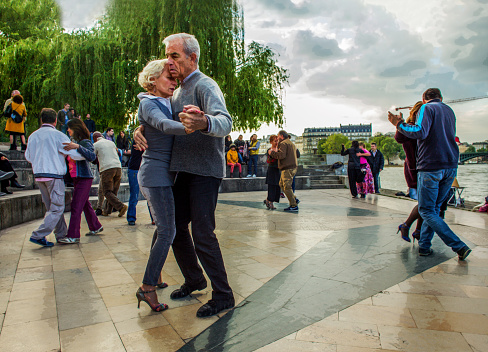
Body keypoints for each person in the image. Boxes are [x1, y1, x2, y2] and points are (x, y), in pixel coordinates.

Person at [134, 33, 234, 317]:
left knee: (203, 232)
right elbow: (157, 118)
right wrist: (140, 128)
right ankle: (194, 279)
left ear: (192, 58)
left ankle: (224, 295)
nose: (170, 62)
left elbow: (225, 122)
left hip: (204, 171)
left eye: (174, 56)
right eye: (167, 56)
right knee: (174, 228)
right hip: (182, 171)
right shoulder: (175, 92)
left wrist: (204, 121)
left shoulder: (205, 85)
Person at [134, 58, 191, 312]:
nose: (173, 82)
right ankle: (147, 288)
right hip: (154, 176)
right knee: (168, 231)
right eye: (169, 78)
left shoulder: (163, 101)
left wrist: (138, 128)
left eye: (175, 79)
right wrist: (201, 126)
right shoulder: (149, 103)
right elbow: (165, 125)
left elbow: (153, 124)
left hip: (160, 176)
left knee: (163, 229)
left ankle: (154, 276)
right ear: (152, 81)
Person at [388, 88, 472, 260]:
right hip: (450, 165)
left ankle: (458, 246)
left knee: (426, 209)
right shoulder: (449, 110)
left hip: (431, 166)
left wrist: (398, 124)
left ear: (424, 99)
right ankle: (424, 246)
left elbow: (420, 132)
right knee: (434, 209)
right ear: (441, 98)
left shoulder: (427, 108)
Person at [25, 108, 86, 247]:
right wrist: (87, 154)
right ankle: (38, 234)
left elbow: (28, 157)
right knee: (57, 207)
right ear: (55, 120)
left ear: (41, 120)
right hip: (54, 175)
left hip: (39, 175)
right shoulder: (58, 135)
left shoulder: (33, 136)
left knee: (51, 207)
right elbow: (73, 154)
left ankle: (61, 234)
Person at [58, 119, 103, 244]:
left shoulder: (84, 142)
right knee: (84, 204)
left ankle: (73, 235)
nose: (68, 130)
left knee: (76, 205)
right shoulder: (75, 142)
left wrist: (78, 147)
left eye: (69, 128)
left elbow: (92, 156)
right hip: (77, 178)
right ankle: (96, 226)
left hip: (84, 178)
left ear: (75, 128)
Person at [395, 101, 423, 242]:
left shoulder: (419, 127)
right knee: (426, 202)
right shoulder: (411, 129)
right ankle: (409, 226)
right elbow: (399, 137)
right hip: (416, 169)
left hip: (419, 167)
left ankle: (415, 229)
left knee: (426, 202)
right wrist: (399, 123)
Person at [93, 131, 128, 217]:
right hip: (118, 167)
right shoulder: (111, 142)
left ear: (95, 139)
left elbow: (92, 157)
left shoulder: (96, 145)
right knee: (113, 192)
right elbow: (118, 153)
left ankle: (121, 206)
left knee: (107, 191)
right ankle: (107, 211)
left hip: (107, 169)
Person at [269, 130, 298, 212]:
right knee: (281, 184)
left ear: (281, 136)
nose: (277, 138)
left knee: (286, 186)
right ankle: (294, 199)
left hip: (287, 168)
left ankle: (293, 205)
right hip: (292, 167)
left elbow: (281, 155)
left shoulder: (283, 143)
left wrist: (272, 153)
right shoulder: (290, 143)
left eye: (278, 136)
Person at [264, 135, 280, 210]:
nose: (276, 142)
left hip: (278, 170)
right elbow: (270, 160)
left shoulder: (279, 149)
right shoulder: (269, 150)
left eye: (277, 141)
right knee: (271, 187)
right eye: (275, 141)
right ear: (271, 142)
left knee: (277, 187)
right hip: (272, 169)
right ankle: (270, 202)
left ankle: (268, 200)